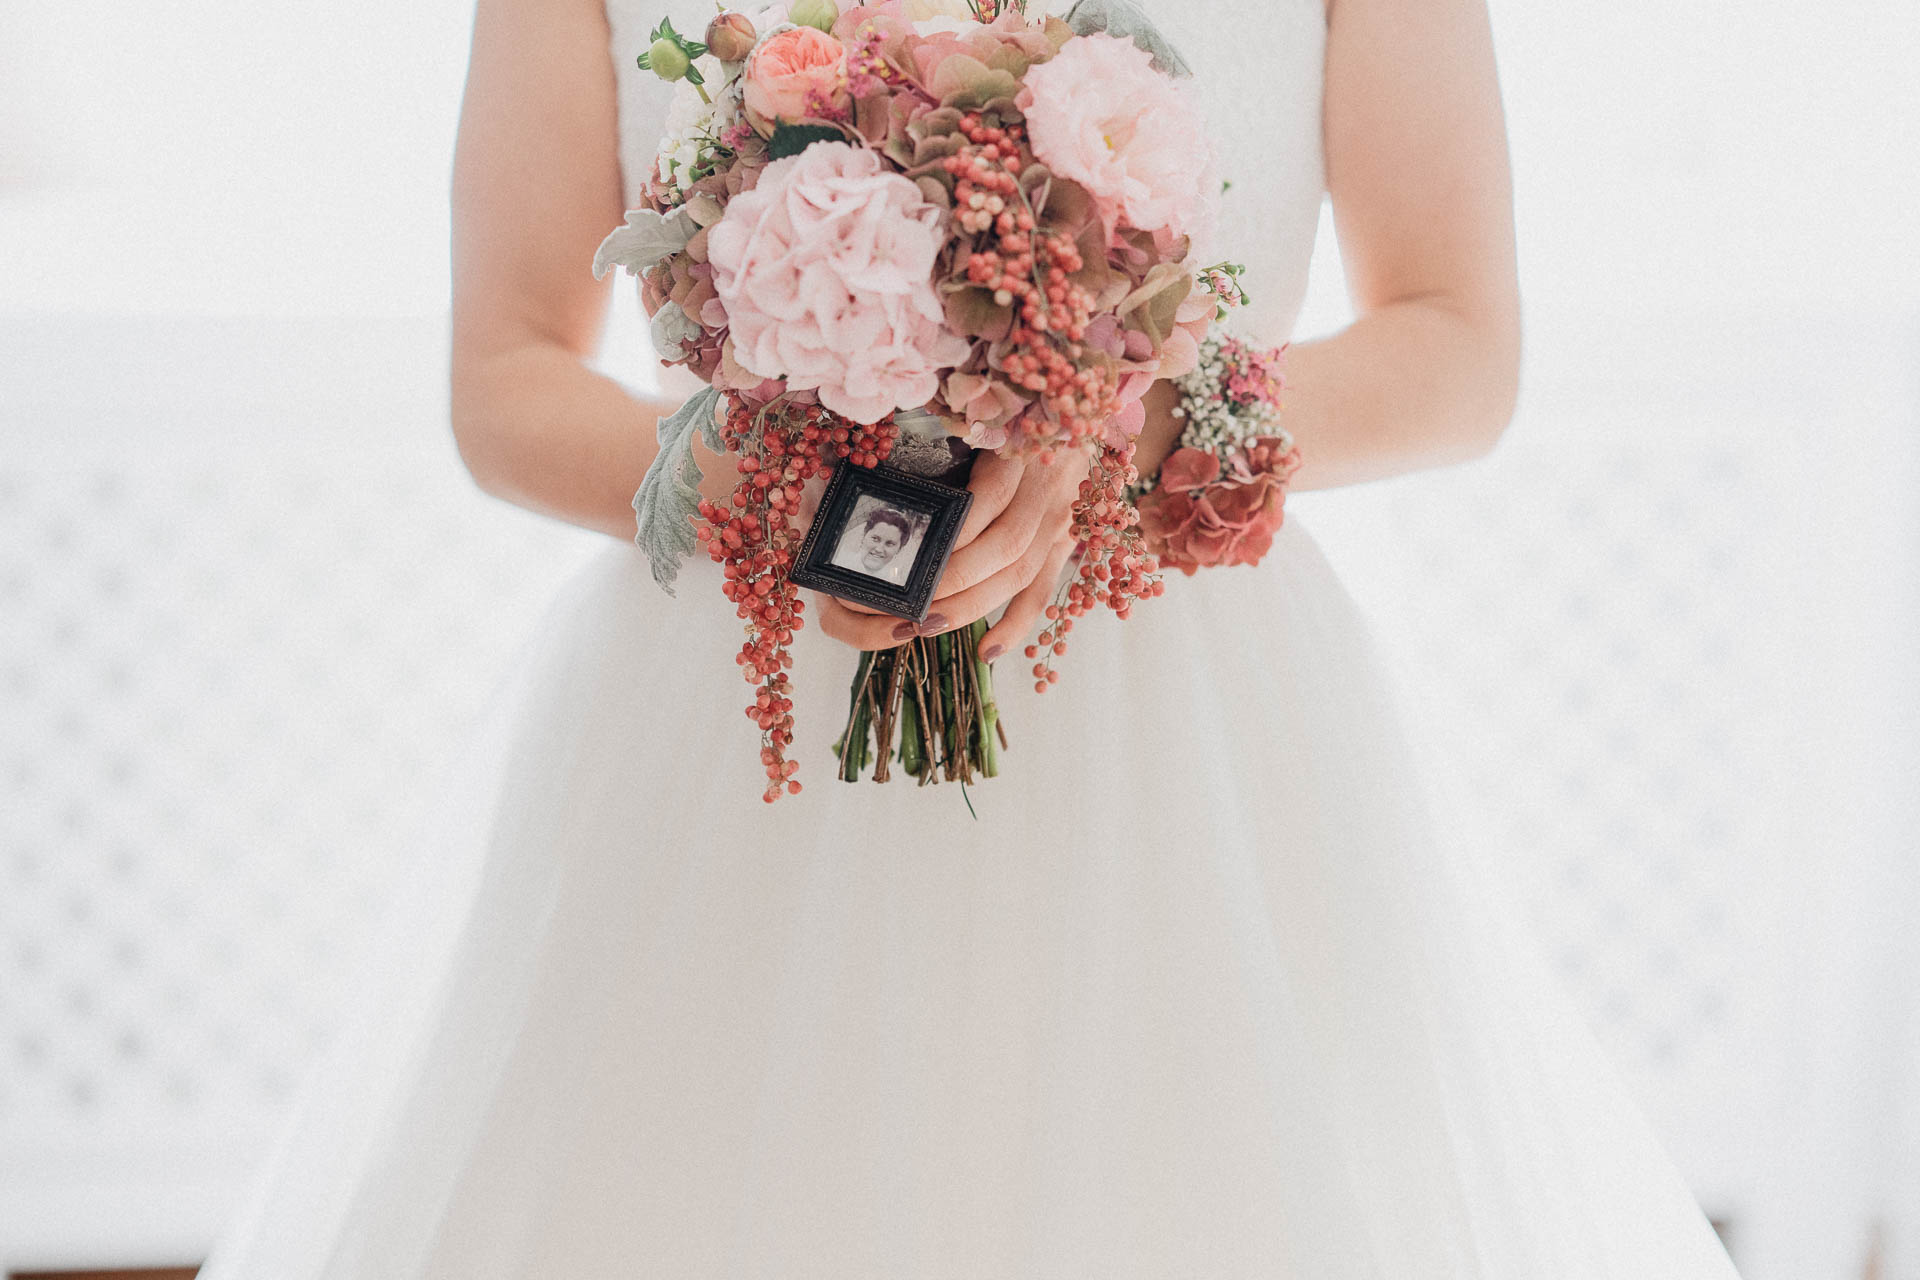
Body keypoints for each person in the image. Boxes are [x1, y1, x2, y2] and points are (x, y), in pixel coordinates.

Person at [197, 0, 1747, 1275]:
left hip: (1189, 729)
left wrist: (1113, 432)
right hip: (738, 729)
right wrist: (804, 484)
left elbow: (1458, 347)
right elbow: (508, 380)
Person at [831, 502, 917, 584]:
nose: (879, 549)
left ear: (899, 549)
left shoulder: (895, 580)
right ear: (864, 536)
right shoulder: (839, 562)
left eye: (890, 544)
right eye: (875, 539)